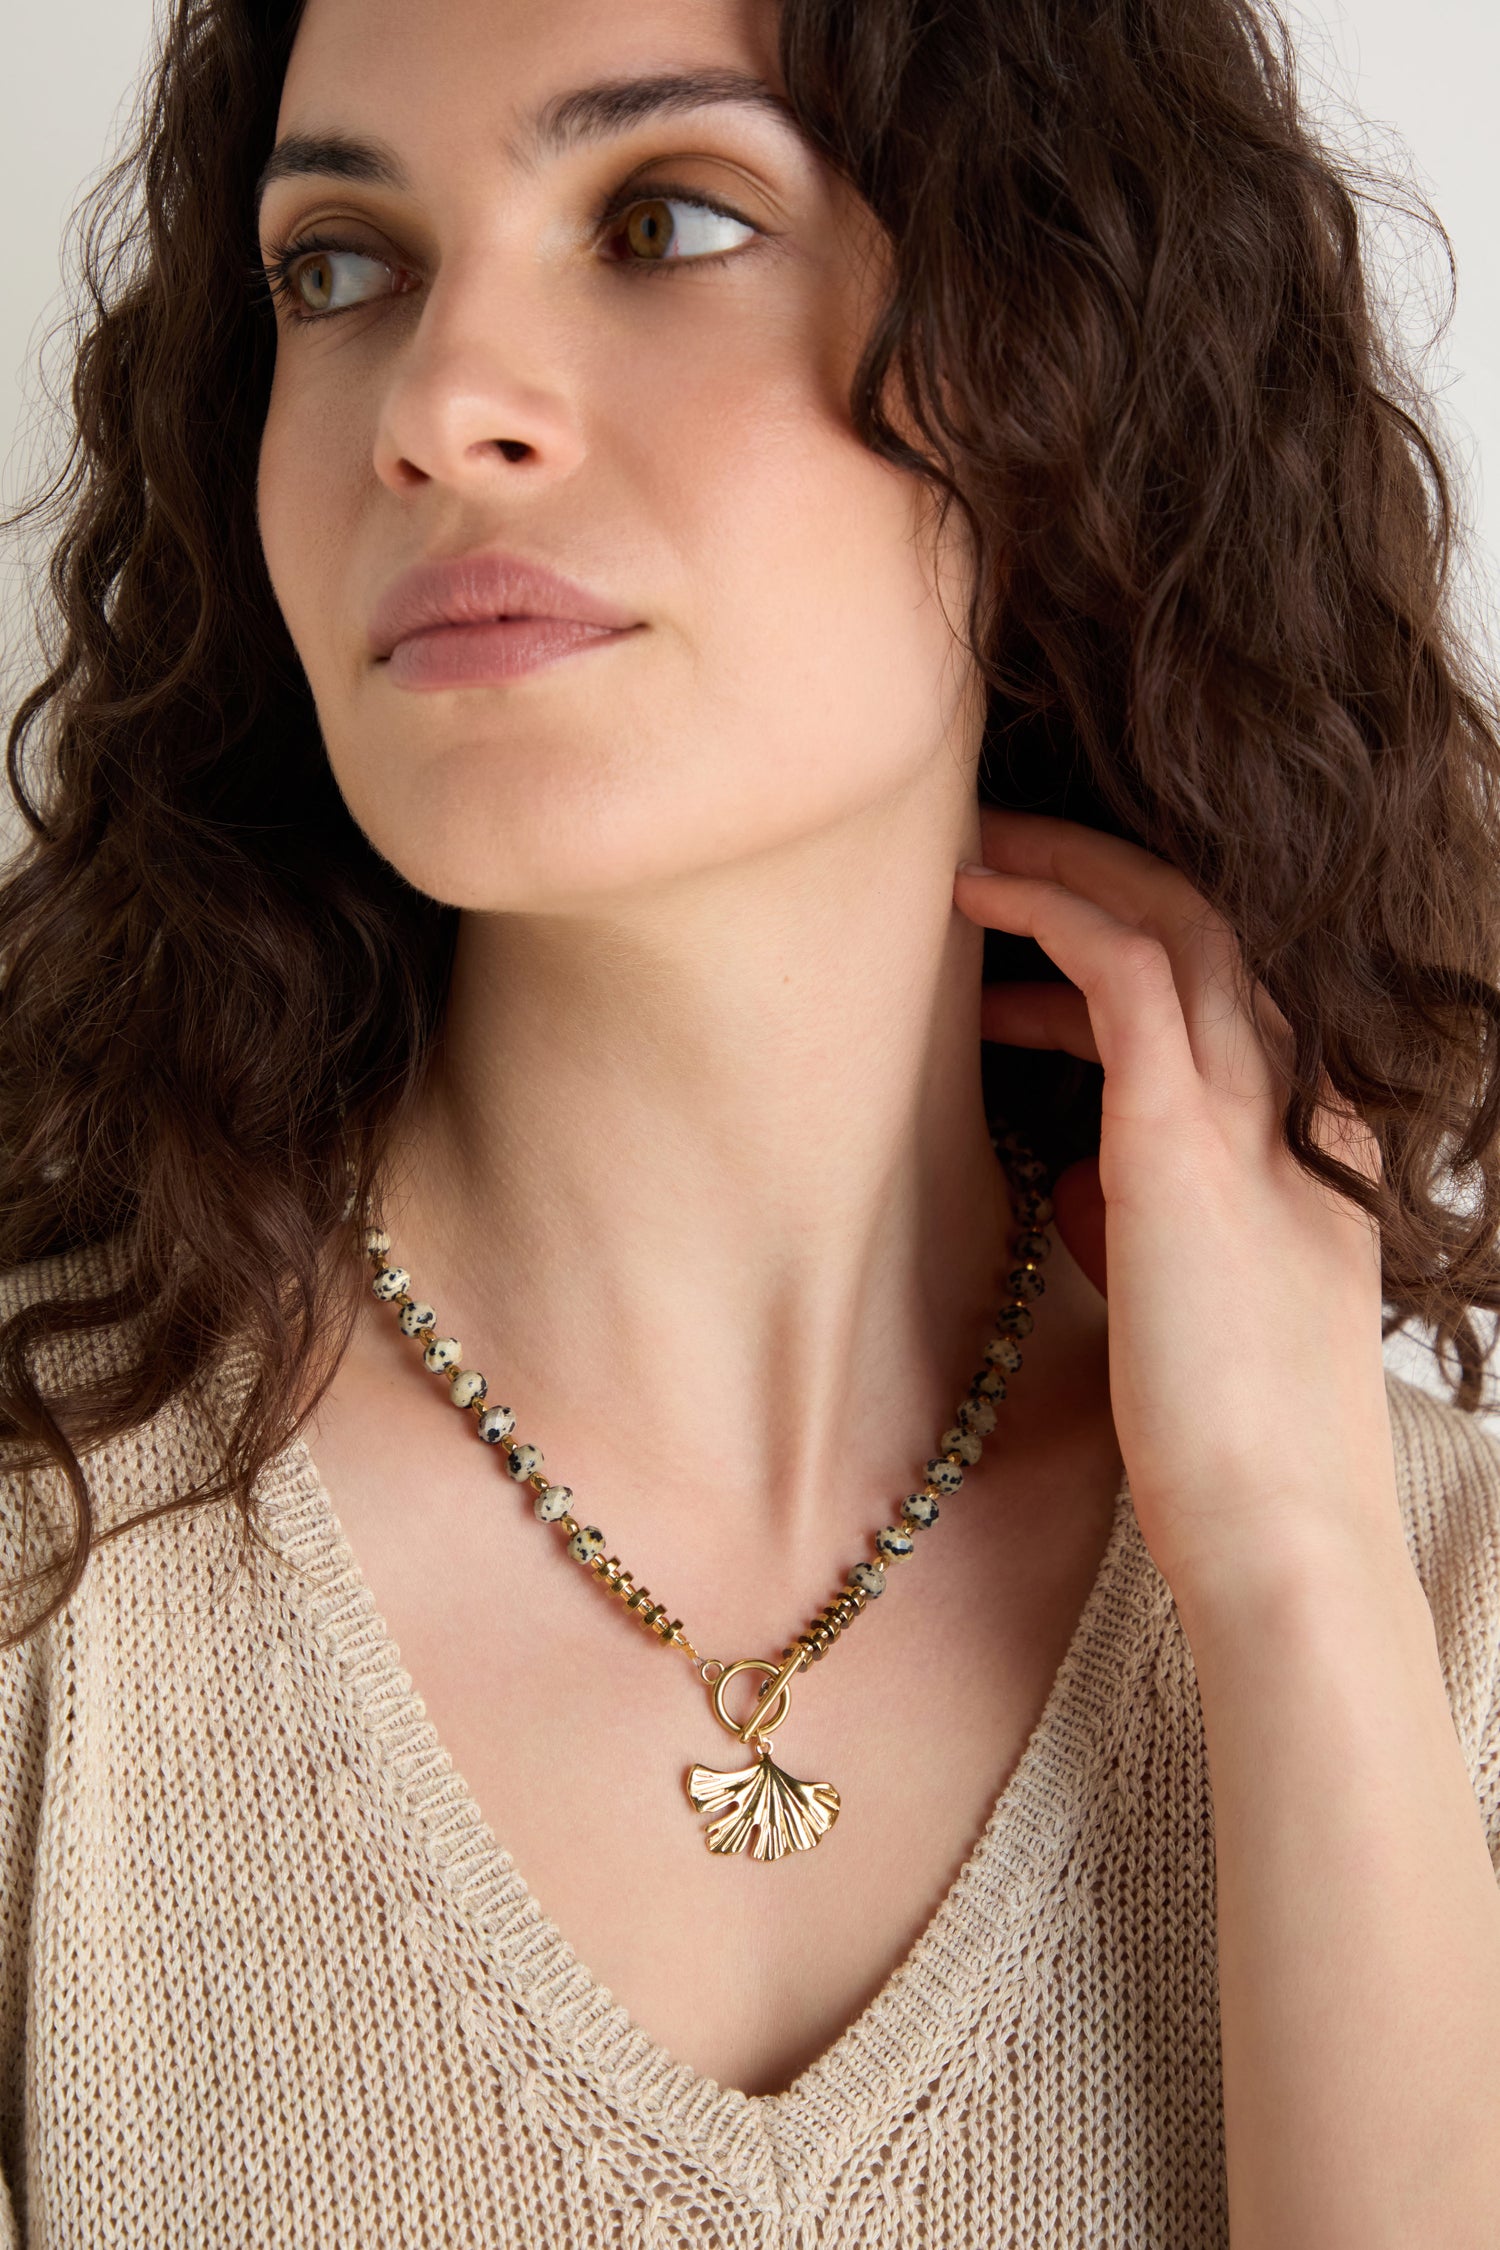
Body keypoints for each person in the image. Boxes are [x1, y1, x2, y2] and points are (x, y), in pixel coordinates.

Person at [2, 0, 1499, 2240]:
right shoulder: (45, 1561)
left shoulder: (1440, 1608)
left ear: (1057, 373)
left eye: (667, 219)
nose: (433, 405)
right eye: (338, 265)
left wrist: (1296, 1583)